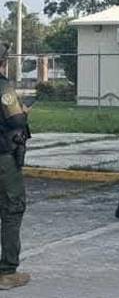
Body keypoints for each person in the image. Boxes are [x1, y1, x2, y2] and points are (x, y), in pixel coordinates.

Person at [0, 42, 31, 290]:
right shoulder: (4, 87)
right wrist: (24, 111)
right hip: (3, 158)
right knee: (12, 208)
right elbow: (16, 119)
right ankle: (7, 272)